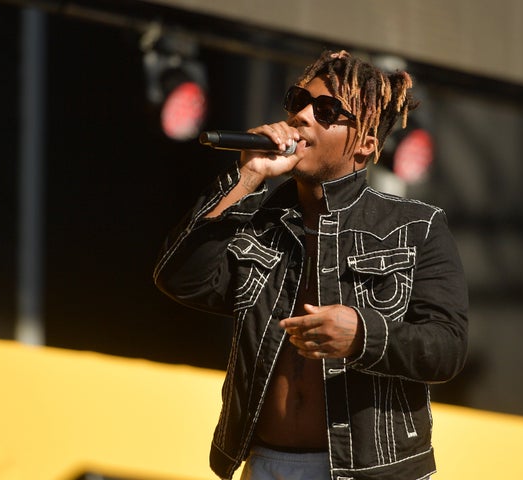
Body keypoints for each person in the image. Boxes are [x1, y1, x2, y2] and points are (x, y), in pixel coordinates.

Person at [154, 49, 468, 480]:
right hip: (266, 463)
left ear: (365, 145)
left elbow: (446, 349)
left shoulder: (416, 226)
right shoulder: (261, 221)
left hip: (371, 472)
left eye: (325, 110)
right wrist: (247, 179)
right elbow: (181, 279)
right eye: (298, 100)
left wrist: (362, 335)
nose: (301, 115)